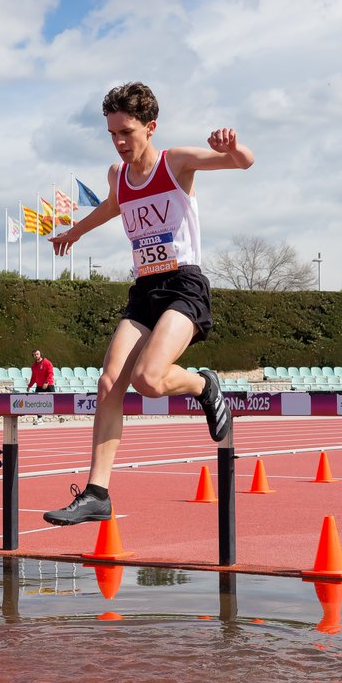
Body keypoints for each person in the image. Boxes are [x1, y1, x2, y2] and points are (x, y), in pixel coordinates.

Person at [41, 81, 254, 526]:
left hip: (183, 286)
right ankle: (98, 493)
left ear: (150, 127)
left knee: (149, 380)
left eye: (127, 132)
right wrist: (74, 233)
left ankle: (202, 385)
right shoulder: (117, 176)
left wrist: (232, 147)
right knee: (109, 383)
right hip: (144, 291)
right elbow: (114, 207)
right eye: (112, 134)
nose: (119, 142)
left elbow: (243, 163)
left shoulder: (175, 163)